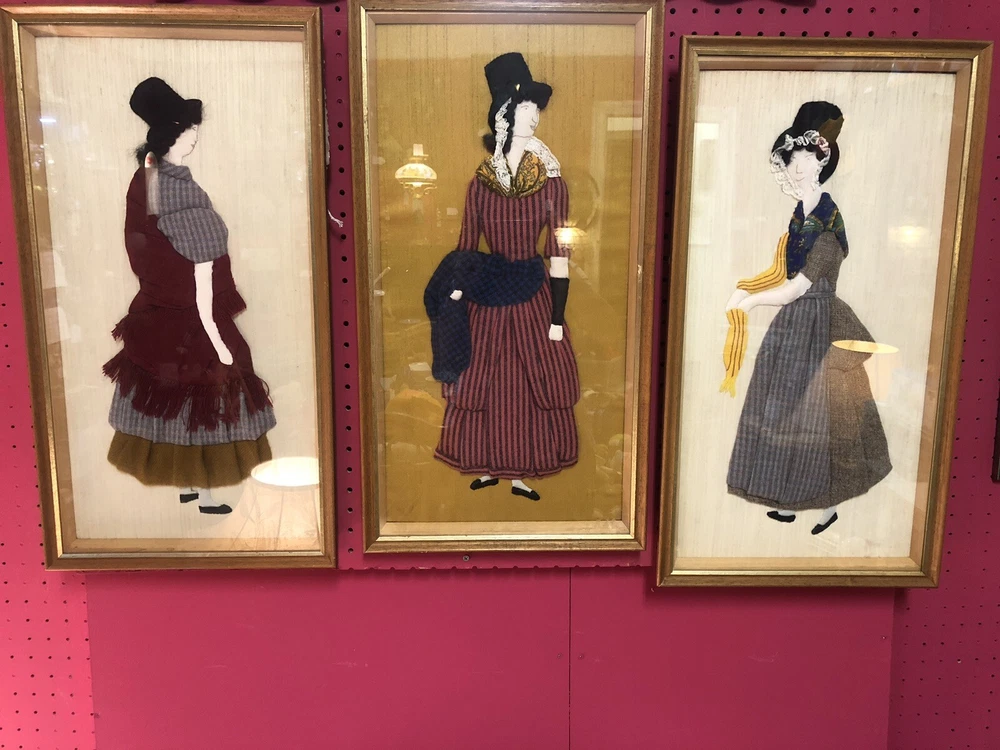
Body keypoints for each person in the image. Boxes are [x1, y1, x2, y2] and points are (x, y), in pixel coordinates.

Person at [103, 77, 275, 514]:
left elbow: (148, 245)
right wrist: (216, 335)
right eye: (188, 129)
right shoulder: (169, 186)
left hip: (160, 308)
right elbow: (195, 265)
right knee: (206, 397)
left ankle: (188, 484)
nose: (195, 136)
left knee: (177, 397)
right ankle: (204, 490)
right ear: (171, 135)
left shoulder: (153, 178)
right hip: (188, 312)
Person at [721, 101, 891, 535]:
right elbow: (782, 274)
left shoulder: (828, 224)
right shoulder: (800, 218)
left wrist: (752, 303)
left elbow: (798, 287)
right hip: (795, 325)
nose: (796, 168)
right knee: (783, 412)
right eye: (791, 159)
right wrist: (747, 290)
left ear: (822, 161)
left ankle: (826, 506)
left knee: (820, 417)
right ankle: (788, 499)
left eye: (805, 158)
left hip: (820, 325)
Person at [426, 53, 580, 502]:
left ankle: (522, 473)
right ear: (504, 116)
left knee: (531, 379)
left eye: (536, 108)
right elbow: (466, 245)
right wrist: (456, 291)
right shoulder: (480, 184)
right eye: (526, 107)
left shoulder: (551, 183)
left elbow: (559, 253)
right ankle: (489, 466)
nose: (534, 116)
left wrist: (557, 317)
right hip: (487, 292)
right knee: (484, 378)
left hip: (533, 293)